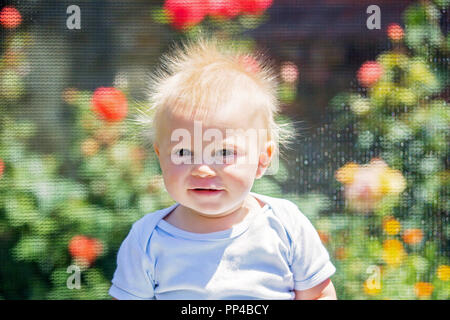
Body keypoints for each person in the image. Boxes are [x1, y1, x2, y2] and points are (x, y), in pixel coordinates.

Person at [109, 35, 337, 300]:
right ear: (160, 157)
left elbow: (319, 295)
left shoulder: (285, 226)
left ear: (263, 159)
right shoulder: (147, 239)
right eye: (184, 152)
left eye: (224, 152)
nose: (203, 170)